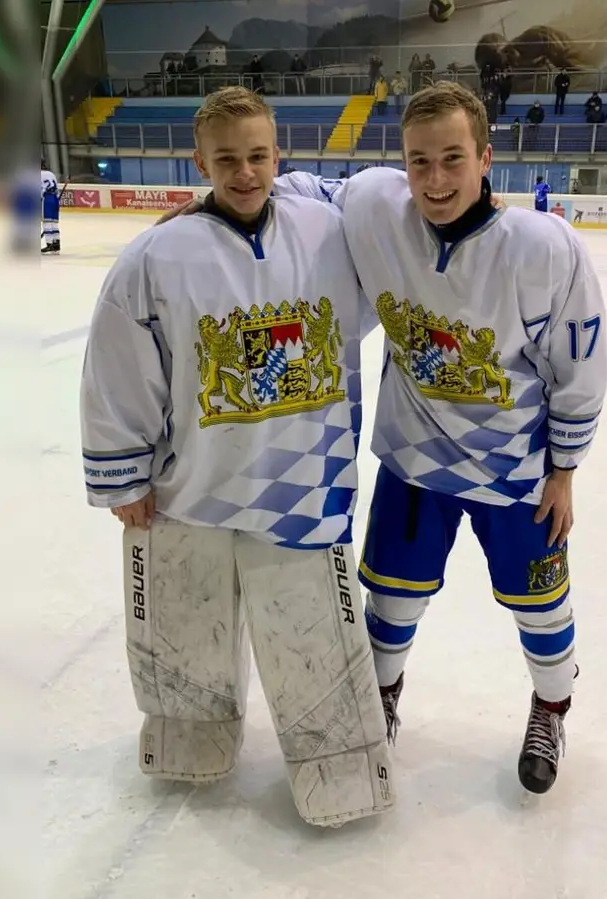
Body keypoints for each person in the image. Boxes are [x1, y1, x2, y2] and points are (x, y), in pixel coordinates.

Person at [270, 82, 607, 794]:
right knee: (390, 598)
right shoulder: (374, 204)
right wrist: (210, 207)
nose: (435, 180)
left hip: (515, 471)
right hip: (415, 459)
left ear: (486, 158)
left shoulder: (542, 249)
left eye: (453, 159)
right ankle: (381, 698)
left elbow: (579, 366)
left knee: (540, 603)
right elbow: (300, 186)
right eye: (419, 162)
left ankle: (551, 705)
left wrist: (565, 471)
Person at [79, 86, 393, 827]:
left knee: (315, 642)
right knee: (186, 634)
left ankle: (340, 764)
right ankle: (191, 735)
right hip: (194, 488)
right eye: (227, 159)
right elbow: (120, 368)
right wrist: (123, 473)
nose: (244, 172)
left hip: (304, 495)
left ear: (278, 157)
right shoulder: (157, 255)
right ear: (200, 161)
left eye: (259, 156)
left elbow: (392, 223)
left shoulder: (329, 232)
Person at [41, 163, 61, 253]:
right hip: (55, 199)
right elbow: (57, 189)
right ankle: (56, 244)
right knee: (54, 223)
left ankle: (49, 244)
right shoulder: (51, 174)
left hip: (46, 199)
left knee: (46, 222)